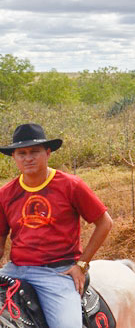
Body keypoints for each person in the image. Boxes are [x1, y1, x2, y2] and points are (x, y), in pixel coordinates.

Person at [0, 123, 113, 328]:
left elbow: (105, 223)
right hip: (14, 269)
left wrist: (81, 265)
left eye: (34, 152)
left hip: (56, 273)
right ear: (14, 157)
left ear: (48, 153)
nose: (28, 158)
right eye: (22, 153)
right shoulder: (6, 193)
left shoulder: (71, 185)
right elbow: (0, 239)